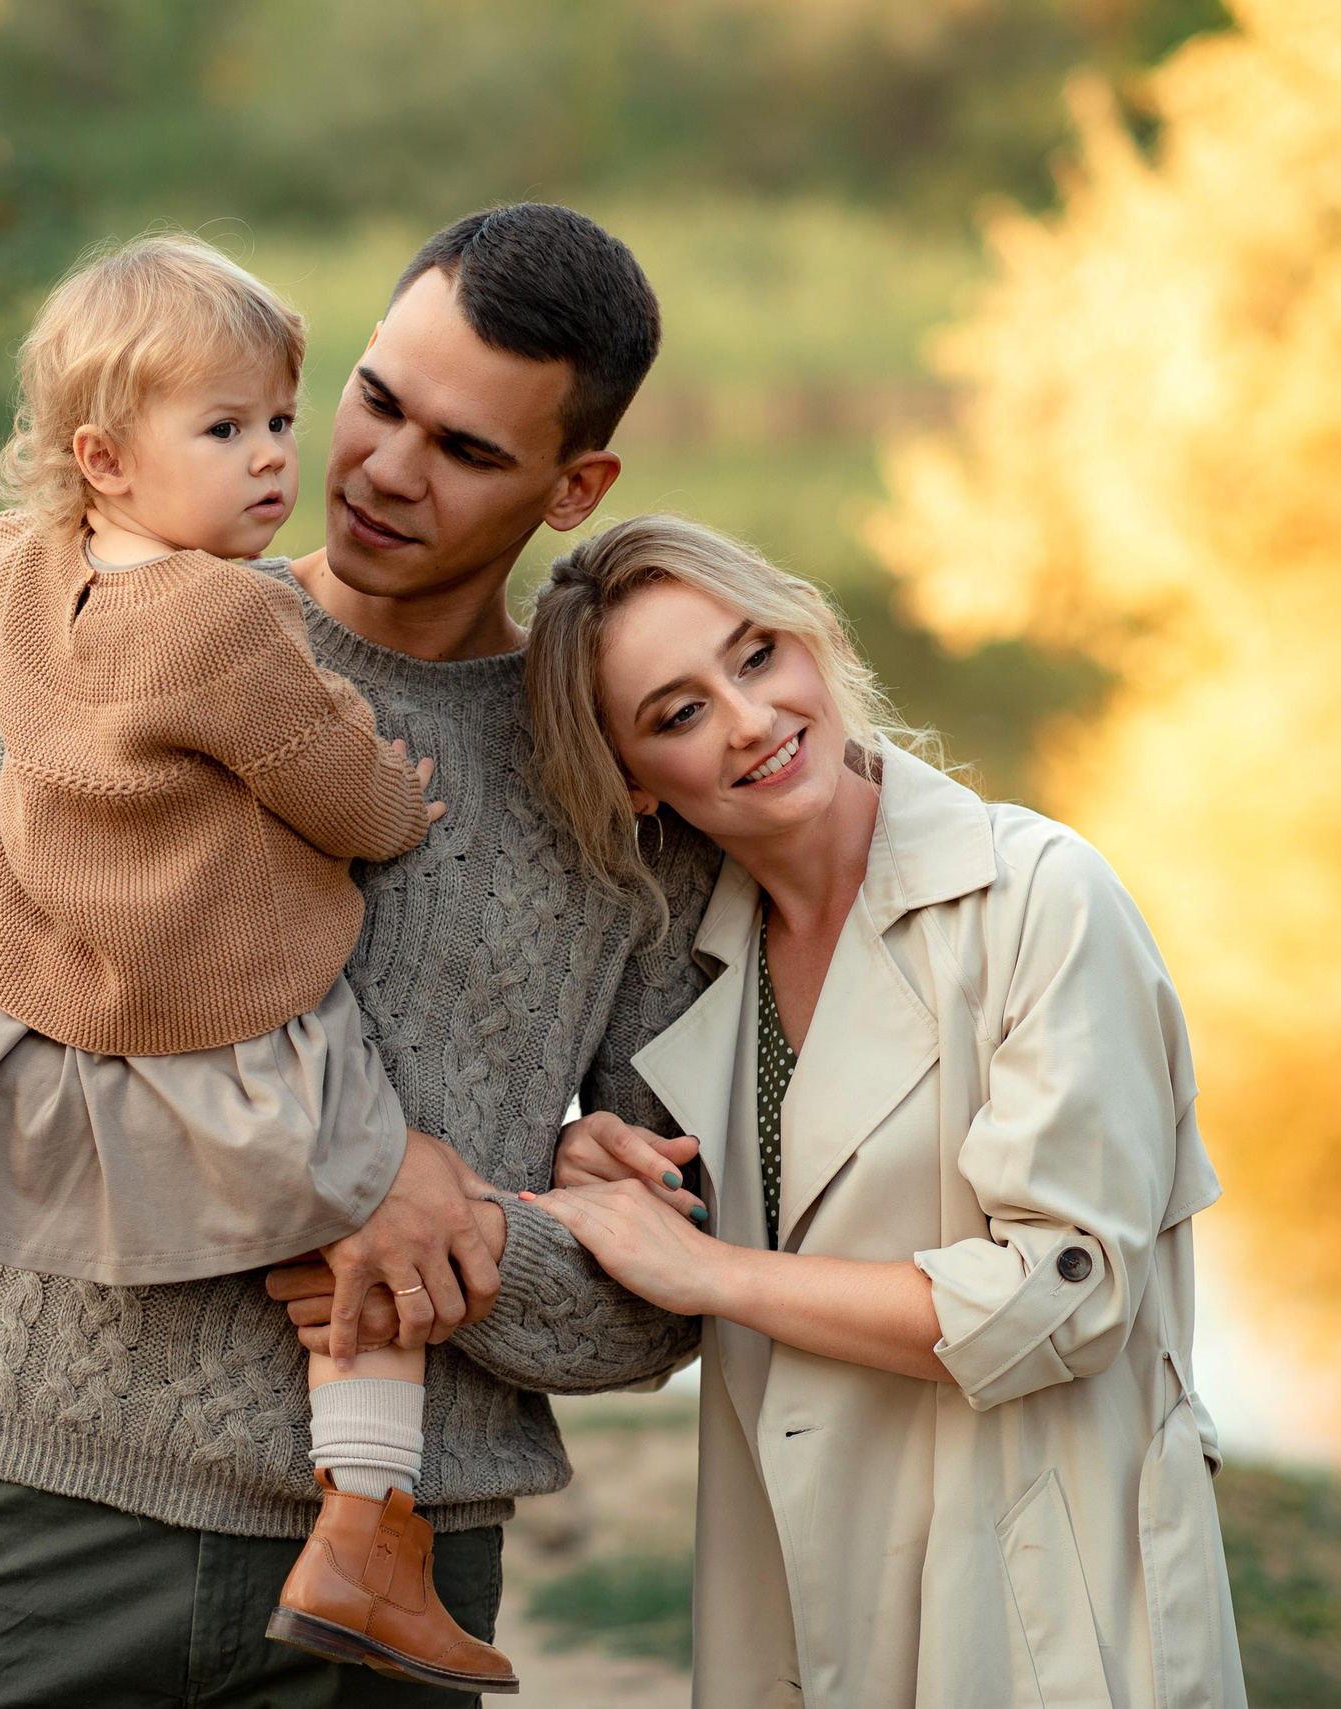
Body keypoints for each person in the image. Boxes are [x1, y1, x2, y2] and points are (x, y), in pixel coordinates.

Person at [0, 204, 721, 1709]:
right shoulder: (107, 633)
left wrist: (457, 1224)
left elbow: (661, 1297)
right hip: (46, 1508)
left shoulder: (623, 783)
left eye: (468, 450)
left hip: (401, 1569)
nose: (380, 469)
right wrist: (342, 1177)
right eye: (376, 398)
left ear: (574, 487)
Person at [517, 513, 1247, 1708]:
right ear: (632, 783)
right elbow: (663, 1280)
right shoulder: (697, 972)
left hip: (1040, 1600)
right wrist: (588, 1159)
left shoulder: (1040, 899)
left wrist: (709, 1270)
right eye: (679, 712)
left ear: (810, 639)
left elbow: (1063, 1298)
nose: (751, 718)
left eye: (755, 656)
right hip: (793, 1598)